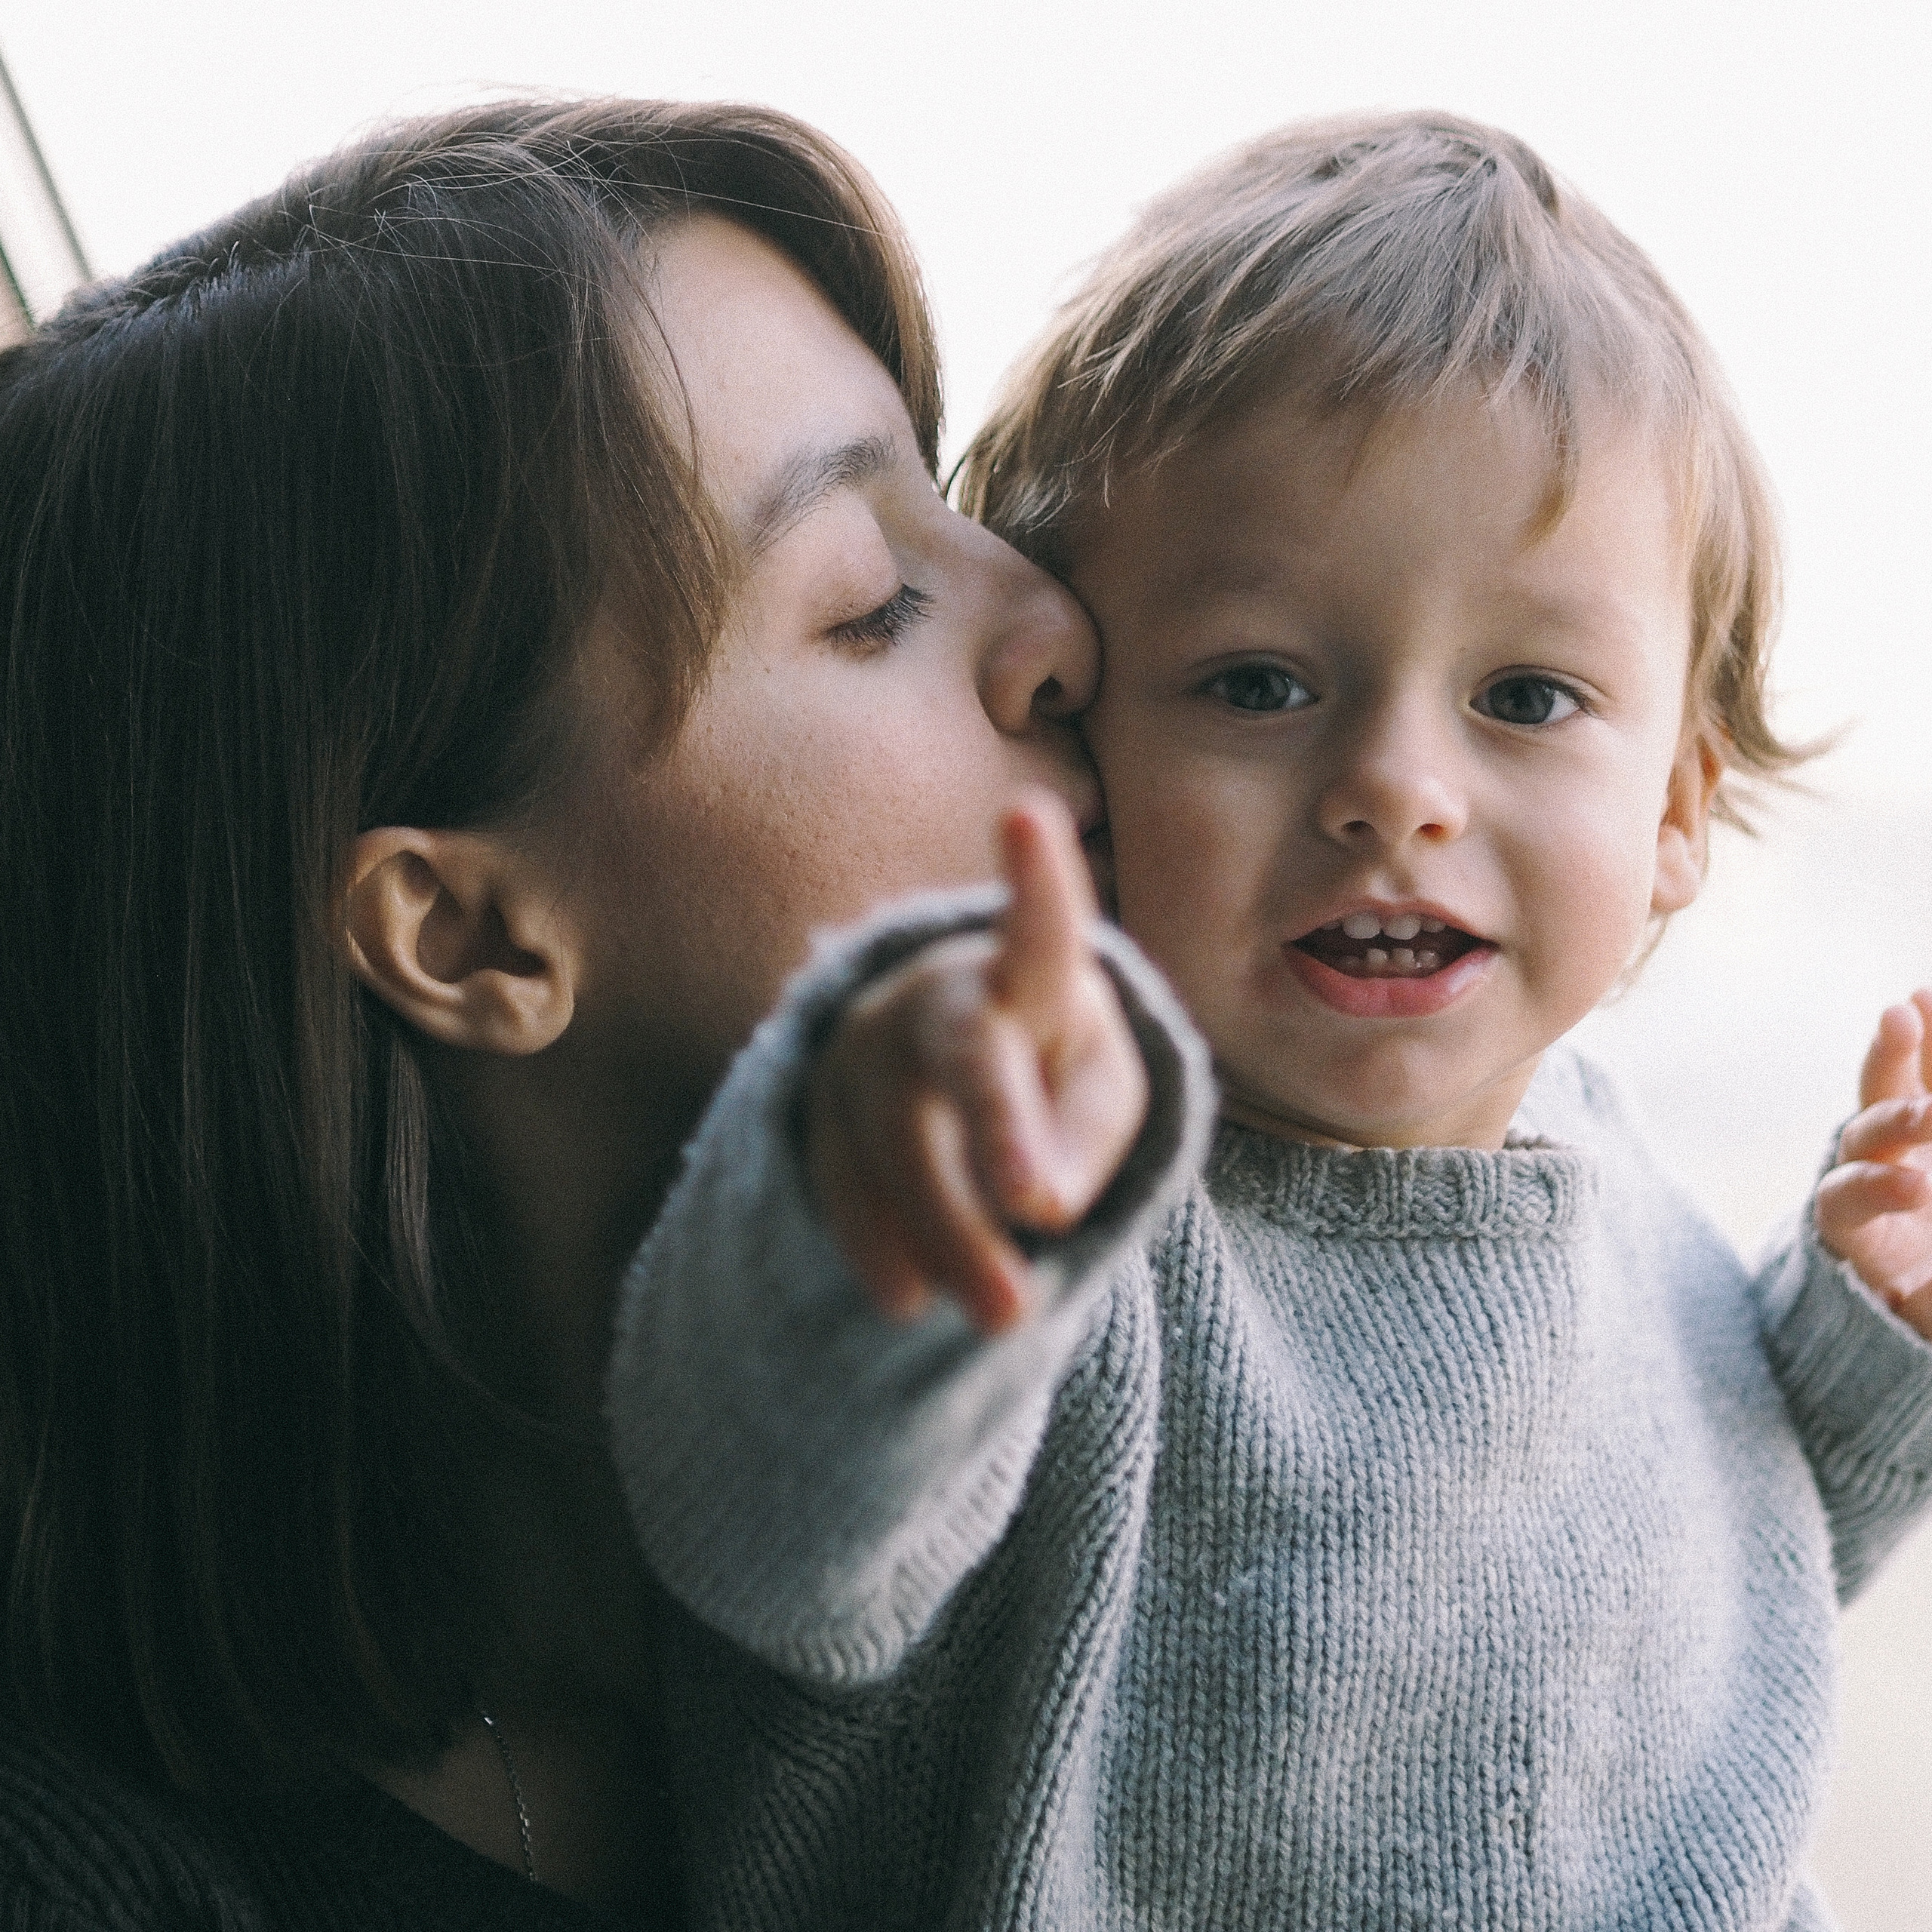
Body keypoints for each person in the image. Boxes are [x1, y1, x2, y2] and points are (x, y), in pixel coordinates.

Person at [609, 112, 1932, 1927]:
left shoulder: (1610, 1180)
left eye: (1525, 695)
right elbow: (771, 1526)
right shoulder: (1078, 1202)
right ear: (1082, 729)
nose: (1394, 787)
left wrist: (1853, 1355)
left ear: (1679, 811)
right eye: (1255, 683)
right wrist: (873, 1213)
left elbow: (1661, 1655)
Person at [0, 97, 1180, 1927]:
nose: (1060, 626)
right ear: (465, 938)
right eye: (869, 604)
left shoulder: (1209, 1461)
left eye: (956, 500)